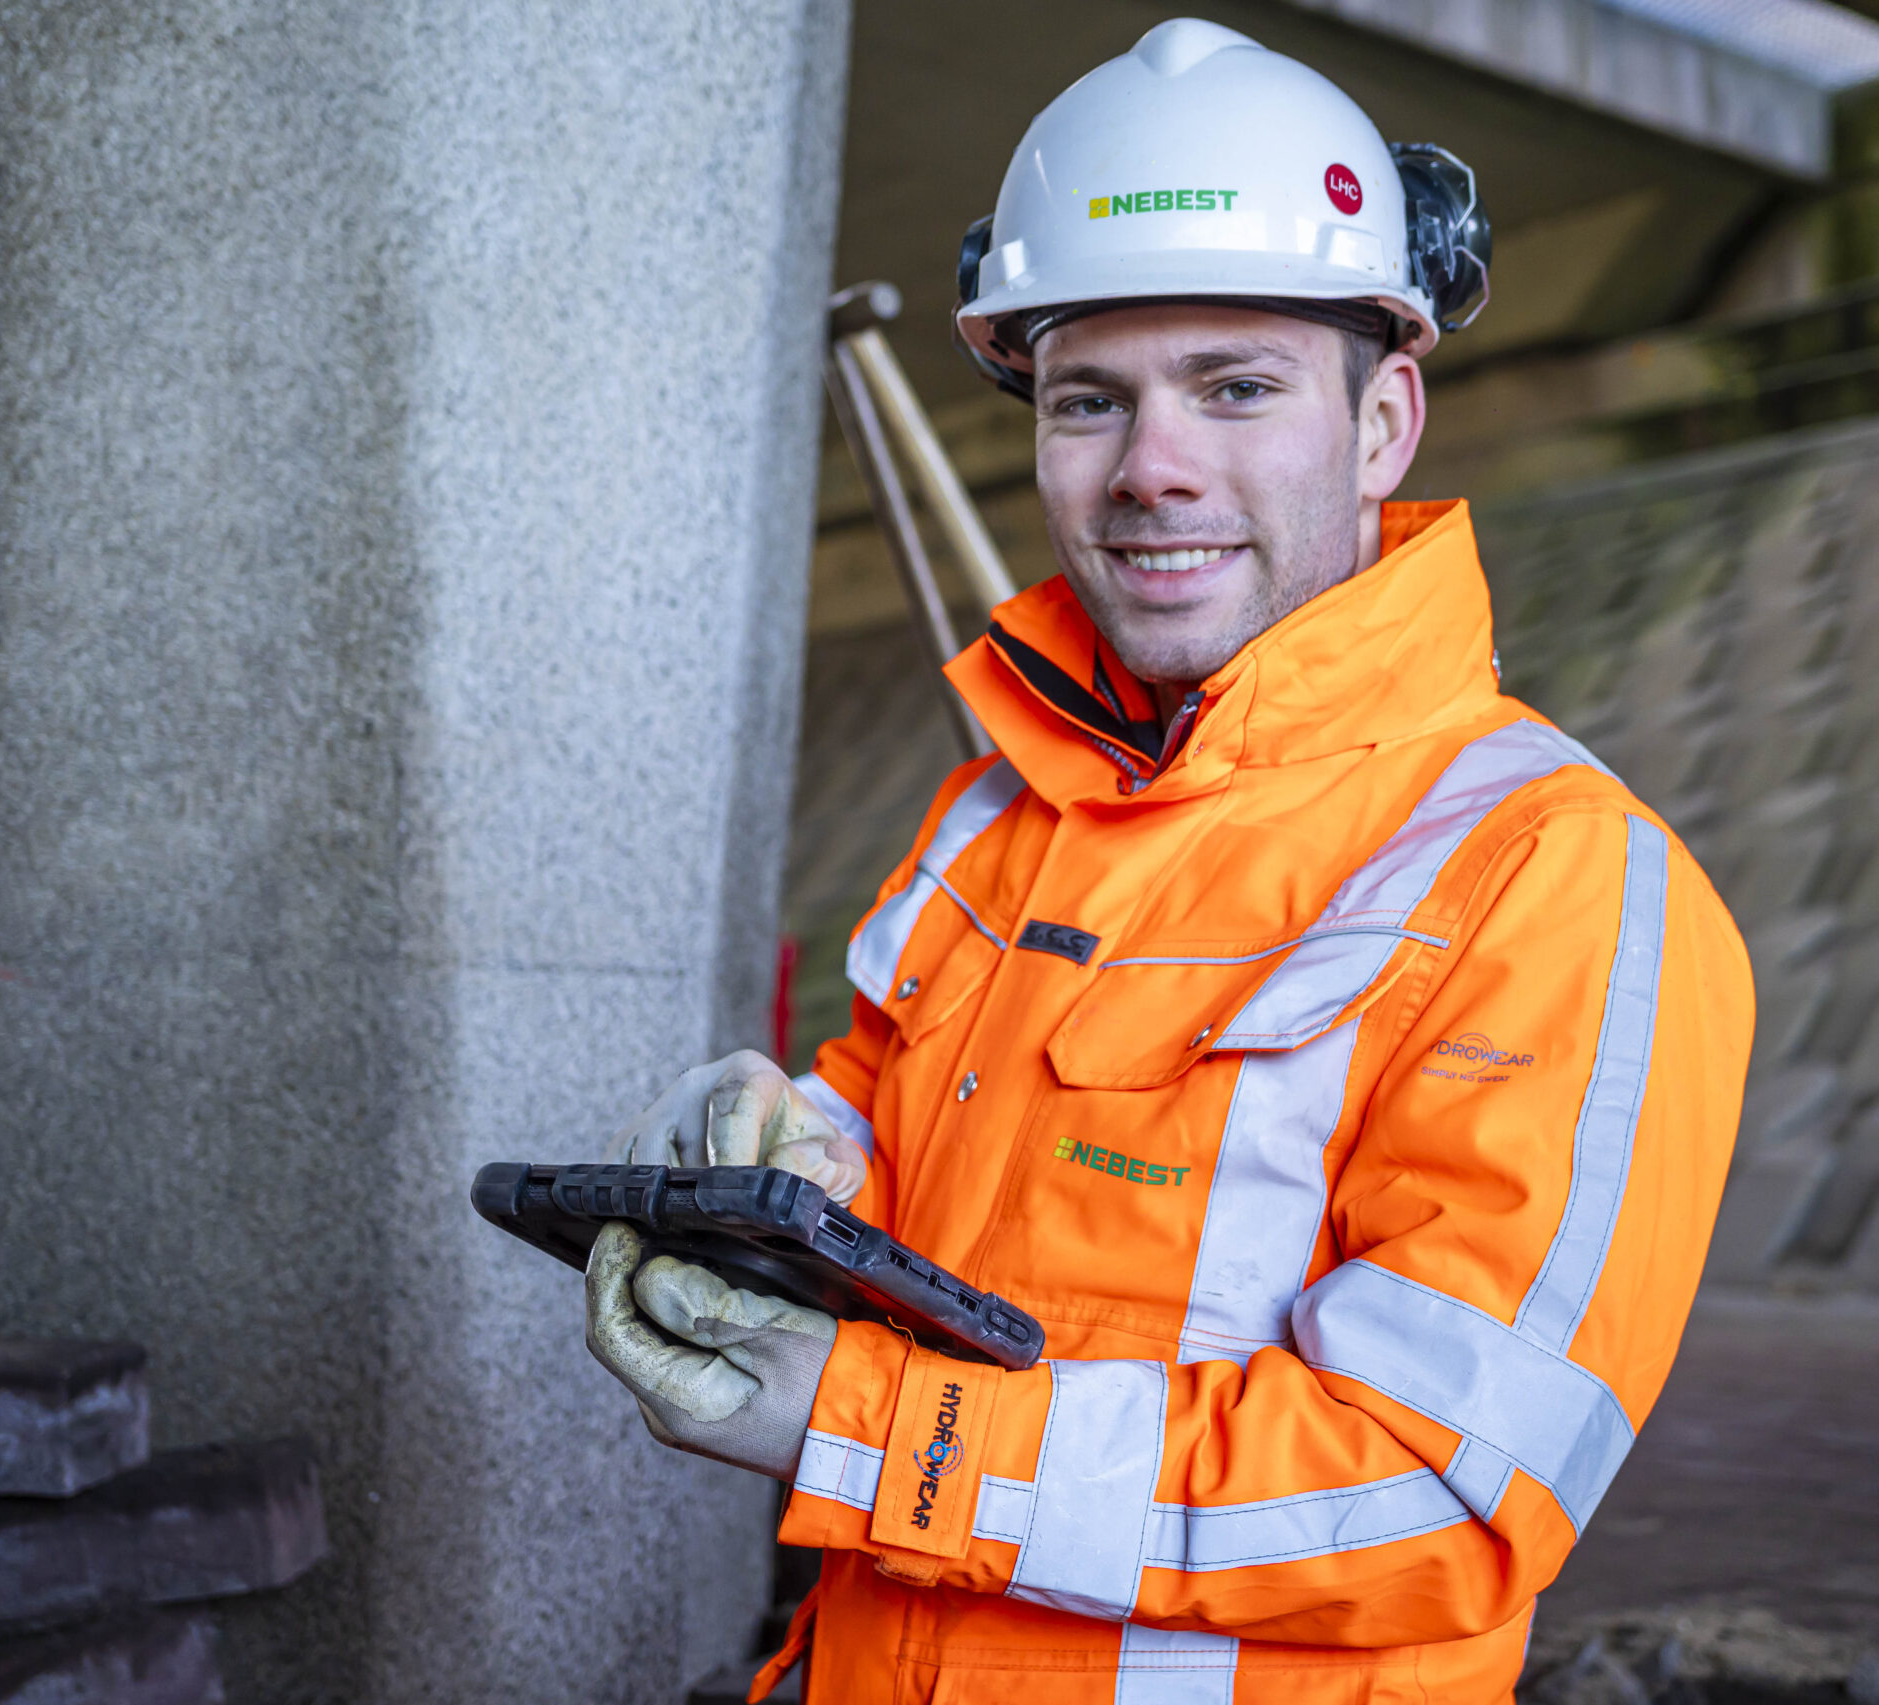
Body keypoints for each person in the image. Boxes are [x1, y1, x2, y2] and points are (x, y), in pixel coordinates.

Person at [585, 19, 1754, 1703]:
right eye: (1091, 398)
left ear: (1384, 420)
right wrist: (792, 1169)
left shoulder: (1550, 876)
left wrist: (868, 1428)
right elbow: (916, 1181)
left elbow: (1437, 1485)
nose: (1152, 468)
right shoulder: (1004, 812)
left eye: (1236, 384)